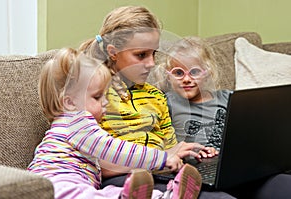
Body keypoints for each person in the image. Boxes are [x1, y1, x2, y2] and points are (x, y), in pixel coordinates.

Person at [27, 47, 204, 199]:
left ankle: (165, 195)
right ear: (70, 102)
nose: (105, 102)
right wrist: (162, 158)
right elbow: (115, 150)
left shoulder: (65, 127)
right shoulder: (77, 124)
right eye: (97, 97)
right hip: (56, 187)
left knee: (110, 192)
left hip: (72, 187)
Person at [155, 36, 291, 199]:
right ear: (167, 75)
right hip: (194, 170)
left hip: (234, 168)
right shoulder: (166, 102)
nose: (186, 79)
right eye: (178, 73)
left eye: (195, 72)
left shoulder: (229, 98)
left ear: (208, 72)